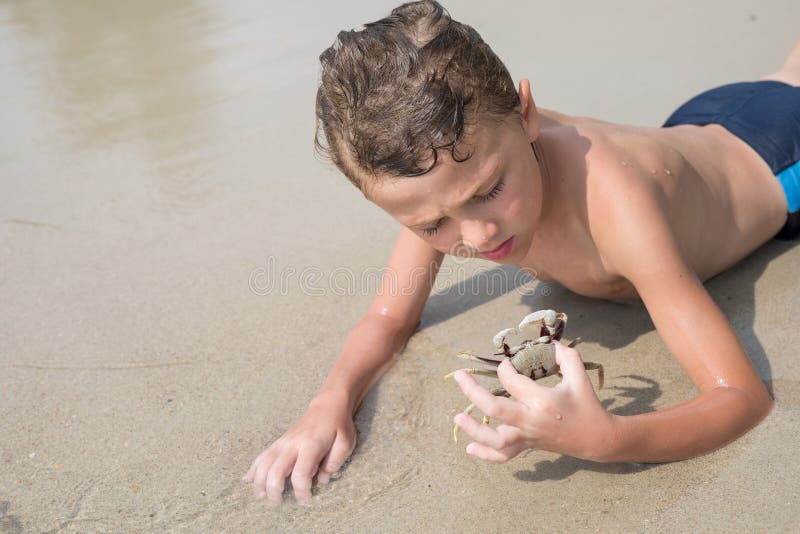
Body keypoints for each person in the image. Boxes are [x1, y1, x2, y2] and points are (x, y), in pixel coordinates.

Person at [243, 0, 800, 504]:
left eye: (488, 192)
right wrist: (330, 403)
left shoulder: (616, 206)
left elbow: (741, 398)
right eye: (432, 224)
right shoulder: (443, 174)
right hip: (698, 127)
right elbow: (388, 317)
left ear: (526, 114)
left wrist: (607, 438)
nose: (478, 236)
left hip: (777, 159)